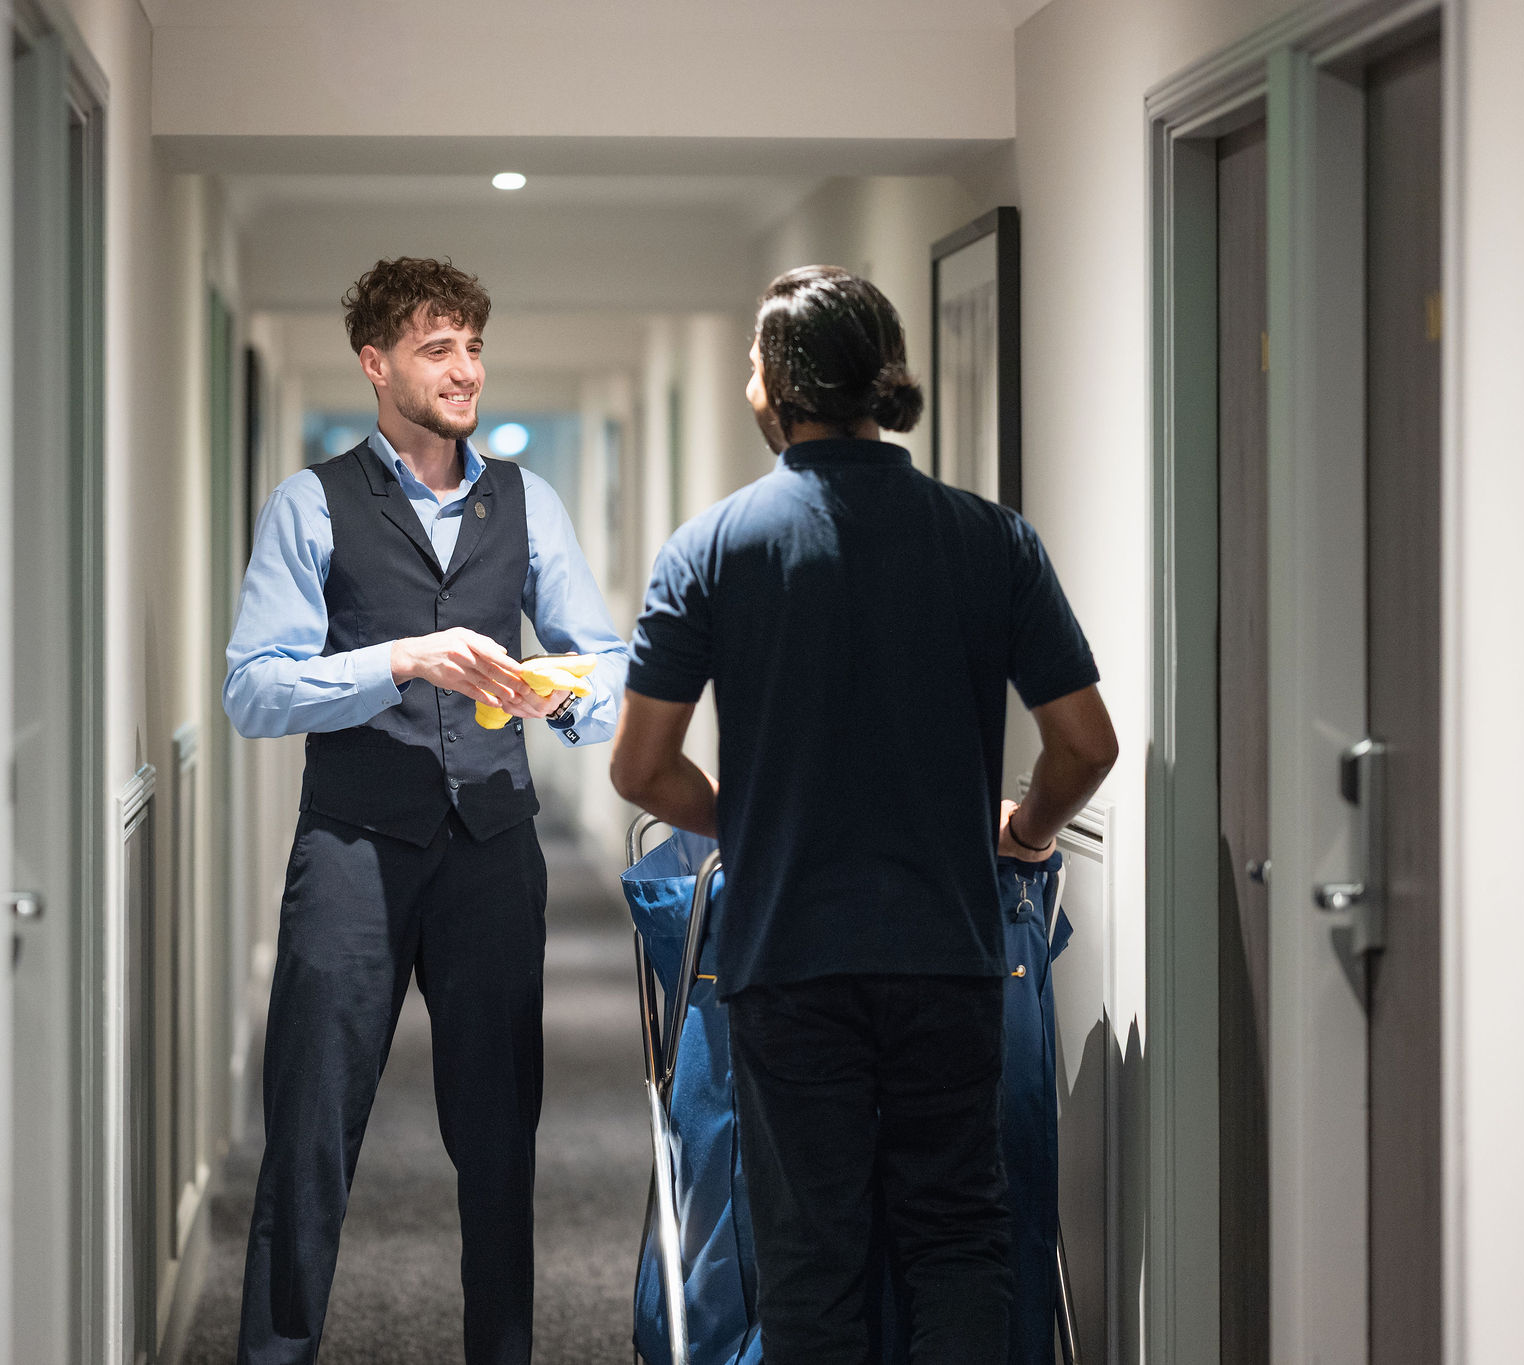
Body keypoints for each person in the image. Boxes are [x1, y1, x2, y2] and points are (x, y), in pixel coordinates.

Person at [609, 266, 1117, 1363]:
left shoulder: (713, 548)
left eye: (755, 363)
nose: (750, 381)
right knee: (958, 1240)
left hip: (788, 955)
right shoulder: (991, 540)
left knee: (809, 1262)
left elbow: (641, 768)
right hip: (949, 948)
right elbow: (1086, 745)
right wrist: (1027, 831)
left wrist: (753, 820)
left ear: (782, 386)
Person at [222, 256, 628, 1365]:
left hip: (494, 845)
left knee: (500, 1143)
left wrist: (559, 694)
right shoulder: (310, 503)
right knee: (309, 1134)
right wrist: (398, 659)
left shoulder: (526, 502)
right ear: (376, 363)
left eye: (473, 348)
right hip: (352, 847)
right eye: (436, 348)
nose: (464, 371)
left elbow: (601, 660)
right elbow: (253, 689)